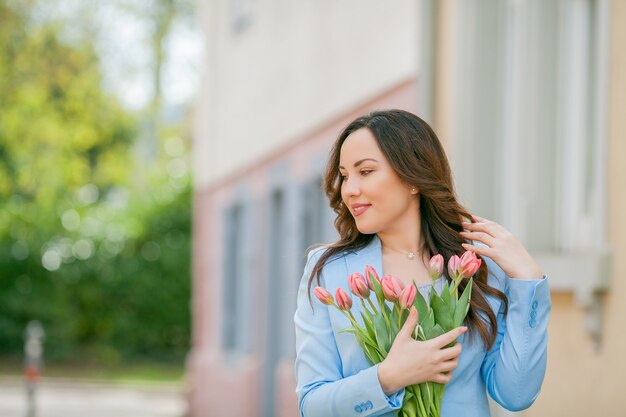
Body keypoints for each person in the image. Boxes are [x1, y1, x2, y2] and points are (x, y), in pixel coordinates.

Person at [293, 109, 550, 417]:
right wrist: (387, 378)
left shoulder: (477, 268)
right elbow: (312, 405)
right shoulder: (328, 270)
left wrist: (528, 281)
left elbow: (516, 394)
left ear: (412, 178)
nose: (349, 190)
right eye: (345, 175)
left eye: (365, 172)